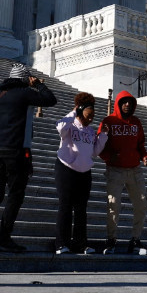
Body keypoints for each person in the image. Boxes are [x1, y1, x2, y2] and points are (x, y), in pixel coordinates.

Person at [0, 63, 56, 253]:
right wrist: (38, 84)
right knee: (15, 194)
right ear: (25, 79)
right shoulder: (25, 93)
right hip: (17, 150)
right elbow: (50, 99)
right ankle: (4, 238)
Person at [96, 90, 147, 255]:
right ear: (118, 104)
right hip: (115, 169)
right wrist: (108, 157)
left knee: (142, 203)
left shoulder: (136, 122)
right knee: (113, 205)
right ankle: (111, 239)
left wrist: (144, 156)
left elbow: (140, 144)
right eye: (124, 102)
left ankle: (135, 239)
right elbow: (99, 144)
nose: (127, 105)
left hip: (134, 169)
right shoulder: (109, 121)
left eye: (130, 102)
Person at [55, 92, 107, 254]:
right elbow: (60, 127)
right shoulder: (69, 126)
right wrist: (74, 112)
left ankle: (80, 244)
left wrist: (103, 136)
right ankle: (61, 244)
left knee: (81, 209)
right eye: (88, 115)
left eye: (93, 116)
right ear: (80, 111)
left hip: (84, 172)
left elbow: (95, 152)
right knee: (65, 206)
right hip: (66, 168)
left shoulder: (90, 131)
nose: (90, 119)